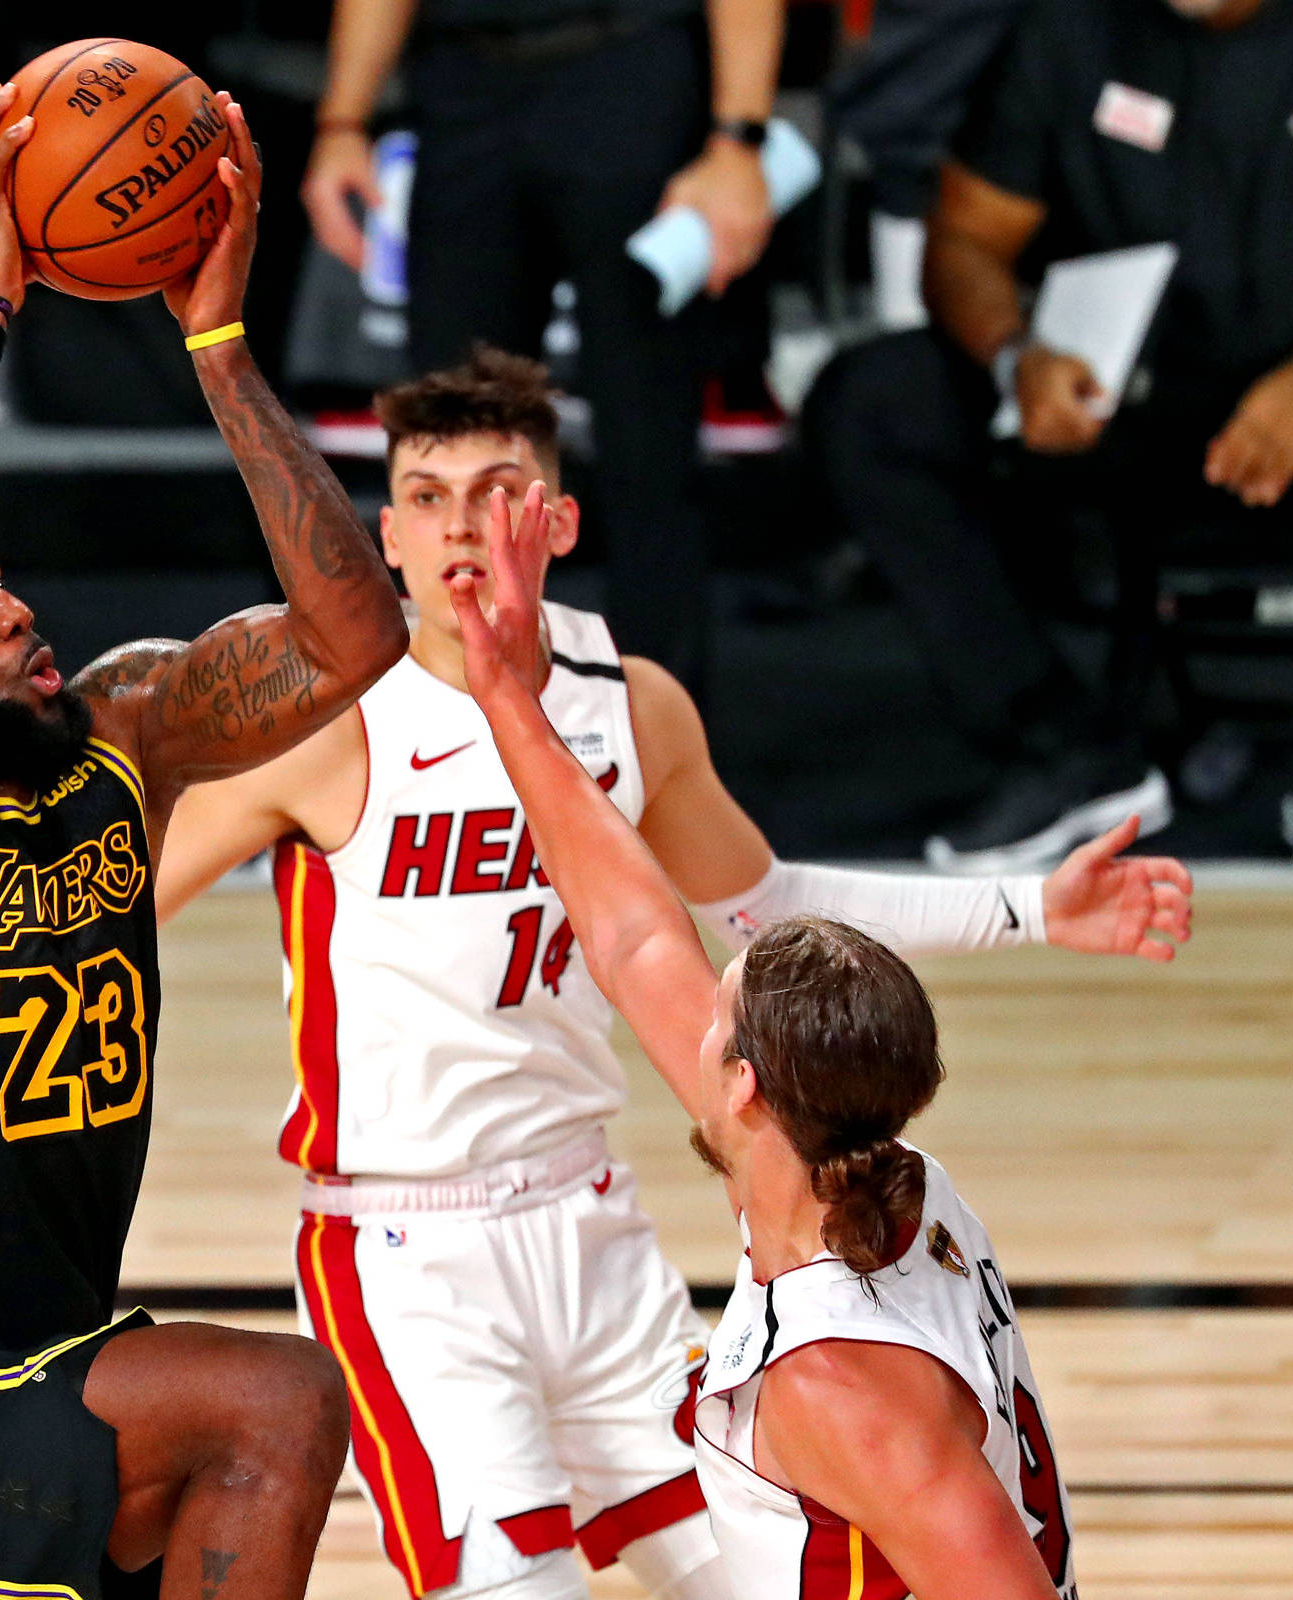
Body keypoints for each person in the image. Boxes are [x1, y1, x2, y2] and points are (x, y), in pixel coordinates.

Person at [154, 346, 1185, 1600]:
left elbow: (763, 912)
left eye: (498, 490)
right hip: (402, 1242)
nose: (464, 526)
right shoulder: (321, 723)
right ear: (386, 534)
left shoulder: (628, 704)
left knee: (750, 1558)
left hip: (594, 1221)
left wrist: (1028, 906)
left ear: (560, 518)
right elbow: (112, 903)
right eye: (427, 496)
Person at [0, 84, 408, 1600]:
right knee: (282, 1400)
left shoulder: (130, 740)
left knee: (245, 1443)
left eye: (1, 581)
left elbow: (357, 634)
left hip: (48, 1373)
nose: (16, 607)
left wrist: (217, 342)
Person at [448, 482, 1080, 1599]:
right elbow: (633, 930)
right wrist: (507, 693)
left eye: (718, 1004)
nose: (691, 1001)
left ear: (743, 1084)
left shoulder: (843, 1379)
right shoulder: (876, 1176)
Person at [809, 0, 1293, 870]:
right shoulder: (1072, 29)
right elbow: (966, 239)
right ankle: (1063, 746)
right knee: (873, 406)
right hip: (1118, 401)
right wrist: (1016, 354)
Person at [302, 0, 788, 695]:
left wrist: (739, 140)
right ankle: (453, 725)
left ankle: (654, 750)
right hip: (460, 80)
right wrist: (342, 121)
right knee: (448, 436)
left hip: (631, 68)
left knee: (648, 446)